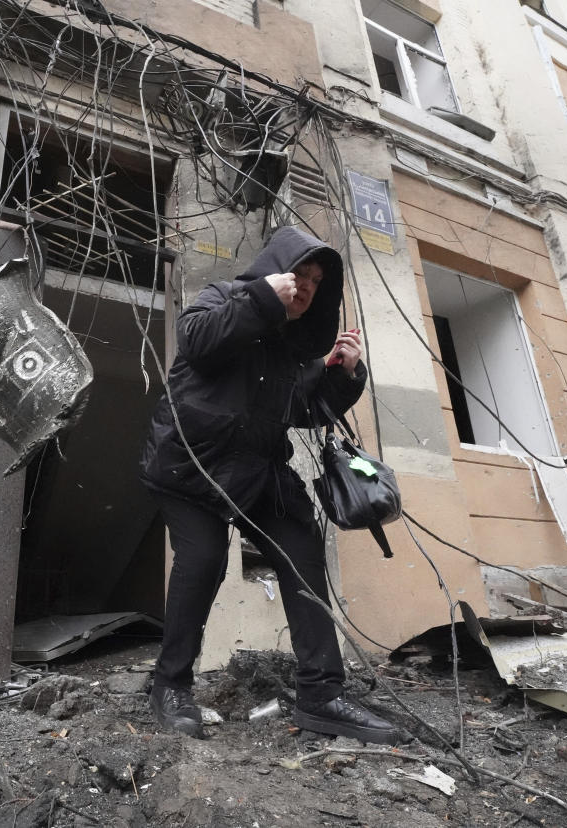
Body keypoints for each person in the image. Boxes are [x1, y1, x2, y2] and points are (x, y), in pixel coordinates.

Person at [139, 226, 401, 744]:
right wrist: (261, 301)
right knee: (204, 559)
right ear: (276, 268)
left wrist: (344, 377)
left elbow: (301, 410)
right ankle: (170, 686)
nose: (305, 287)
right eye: (299, 273)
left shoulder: (297, 349)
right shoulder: (226, 297)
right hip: (190, 466)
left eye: (316, 281)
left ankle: (321, 697)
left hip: (259, 471)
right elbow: (197, 341)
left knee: (302, 552)